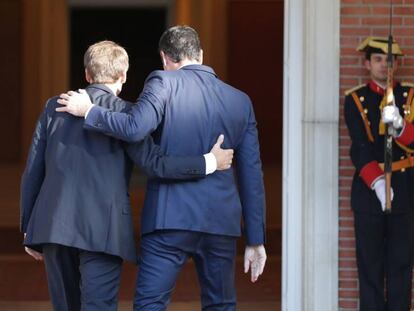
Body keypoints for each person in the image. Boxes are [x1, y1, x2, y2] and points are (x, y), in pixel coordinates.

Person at [57, 26, 267, 311]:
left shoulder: (163, 82)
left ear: (165, 58)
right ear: (201, 55)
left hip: (169, 219)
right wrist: (256, 240)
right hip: (220, 222)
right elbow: (252, 174)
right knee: (221, 305)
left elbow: (134, 128)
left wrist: (90, 111)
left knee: (150, 305)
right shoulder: (240, 101)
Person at [20, 40, 234, 311]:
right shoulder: (128, 115)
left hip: (53, 225)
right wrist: (209, 162)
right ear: (123, 76)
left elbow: (33, 171)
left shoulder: (54, 107)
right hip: (103, 230)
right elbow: (156, 164)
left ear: (87, 74)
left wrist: (29, 226)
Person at [344, 36, 414, 310]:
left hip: (406, 188)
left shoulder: (409, 95)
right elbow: (359, 148)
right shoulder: (355, 99)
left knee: (401, 264)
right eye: (379, 60)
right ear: (367, 64)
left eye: (390, 60)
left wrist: (399, 126)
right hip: (369, 190)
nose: (385, 66)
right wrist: (377, 183)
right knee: (370, 266)